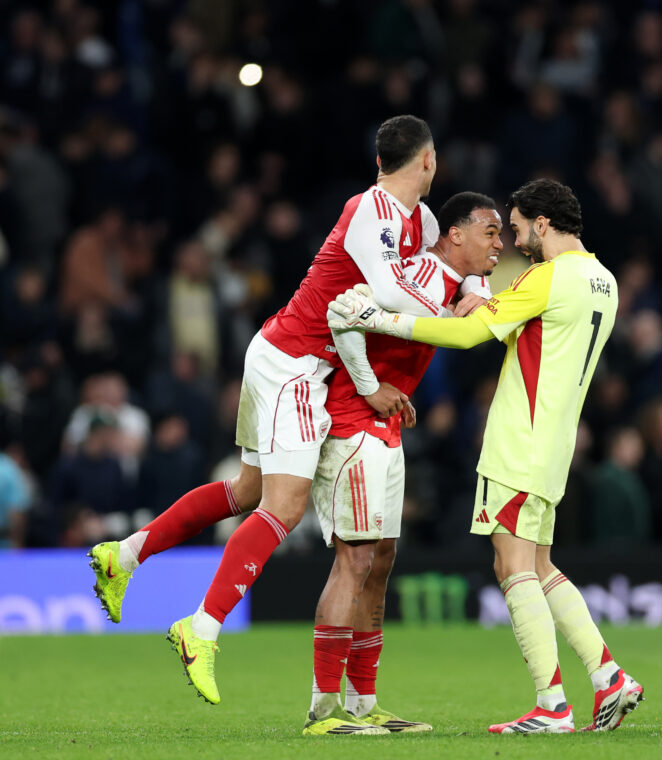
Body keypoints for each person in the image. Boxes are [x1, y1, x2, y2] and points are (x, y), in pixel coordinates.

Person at [86, 115, 475, 720]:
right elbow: (394, 297)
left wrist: (466, 291)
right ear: (427, 161)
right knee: (284, 506)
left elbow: (432, 278)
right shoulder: (367, 213)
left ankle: (124, 555)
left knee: (245, 492)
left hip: (285, 354)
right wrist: (460, 319)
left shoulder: (420, 222)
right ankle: (203, 630)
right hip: (295, 362)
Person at [329, 178, 643, 734]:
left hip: (519, 441)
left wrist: (380, 321)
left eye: (518, 226)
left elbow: (470, 335)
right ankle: (607, 675)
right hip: (556, 442)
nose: (515, 239)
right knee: (541, 565)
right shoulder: (604, 280)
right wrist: (489, 303)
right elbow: (524, 328)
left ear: (543, 224)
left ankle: (552, 705)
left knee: (512, 566)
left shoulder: (547, 277)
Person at [305, 191, 501, 734]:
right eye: (489, 232)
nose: (499, 243)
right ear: (455, 234)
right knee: (355, 561)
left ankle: (365, 704)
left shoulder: (455, 282)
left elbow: (468, 289)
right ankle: (322, 709)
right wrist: (369, 389)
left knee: (382, 560)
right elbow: (342, 312)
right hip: (350, 425)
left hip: (386, 428)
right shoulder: (410, 275)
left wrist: (476, 288)